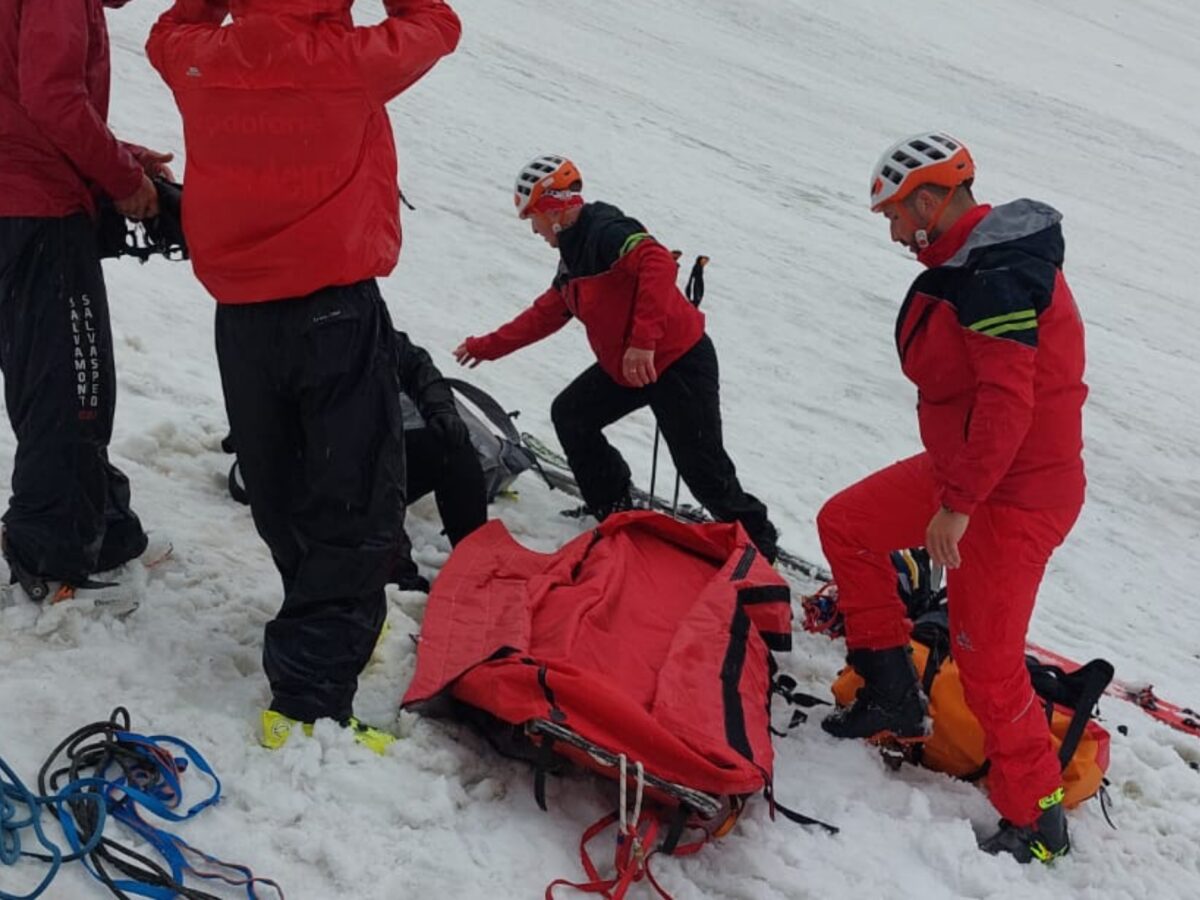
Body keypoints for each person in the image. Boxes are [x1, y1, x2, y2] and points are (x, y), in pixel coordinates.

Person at [146, 0, 461, 753]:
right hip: (334, 312)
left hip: (242, 319)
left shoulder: (200, 58)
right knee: (354, 501)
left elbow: (165, 31)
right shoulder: (348, 60)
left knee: (279, 486)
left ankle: (320, 630)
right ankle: (311, 706)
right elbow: (437, 24)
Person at [817, 132, 1088, 862]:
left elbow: (1008, 401)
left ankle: (1039, 821)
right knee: (847, 524)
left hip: (1013, 495)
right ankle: (892, 693)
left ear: (930, 201)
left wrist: (959, 505)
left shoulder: (995, 273)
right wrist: (958, 487)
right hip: (971, 473)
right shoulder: (974, 260)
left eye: (897, 217)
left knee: (988, 660)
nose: (896, 232)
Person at [454, 155, 778, 562]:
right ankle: (612, 506)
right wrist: (486, 346)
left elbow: (657, 263)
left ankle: (760, 543)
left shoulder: (606, 230)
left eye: (532, 218)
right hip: (631, 366)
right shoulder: (573, 254)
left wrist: (643, 342)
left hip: (678, 360)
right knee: (572, 415)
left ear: (551, 210)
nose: (533, 229)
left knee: (703, 471)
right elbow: (548, 312)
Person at [0, 0, 172, 604]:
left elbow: (20, 104)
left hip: (17, 199)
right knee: (71, 388)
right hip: (36, 210)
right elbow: (51, 99)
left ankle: (104, 532)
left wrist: (116, 156)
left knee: (49, 379)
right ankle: (50, 558)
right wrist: (126, 182)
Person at [224, 330, 488, 593]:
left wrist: (440, 407)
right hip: (309, 484)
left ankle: (480, 565)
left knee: (449, 447)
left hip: (365, 465)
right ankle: (395, 587)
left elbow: (417, 366)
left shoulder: (365, 324)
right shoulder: (287, 340)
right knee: (373, 540)